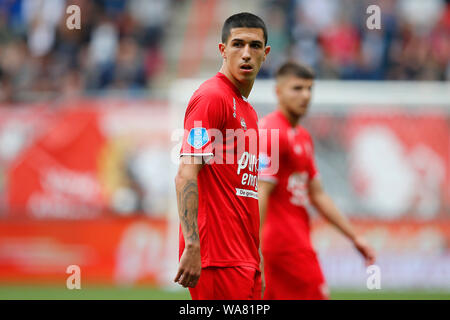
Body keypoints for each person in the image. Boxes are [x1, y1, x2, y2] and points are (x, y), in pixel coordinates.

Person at [258, 62, 376, 300]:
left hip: (293, 242)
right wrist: (253, 250)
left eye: (309, 89)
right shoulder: (272, 133)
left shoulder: (302, 136)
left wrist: (354, 236)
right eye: (297, 88)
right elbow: (260, 192)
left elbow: (318, 194)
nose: (306, 96)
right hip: (284, 247)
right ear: (278, 91)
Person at [174, 12, 271, 300]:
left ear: (265, 54)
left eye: (254, 46)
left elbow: (242, 190)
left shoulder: (248, 111)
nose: (246, 54)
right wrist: (192, 245)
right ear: (222, 49)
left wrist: (255, 255)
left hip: (243, 258)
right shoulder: (211, 97)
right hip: (216, 258)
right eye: (237, 44)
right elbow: (185, 173)